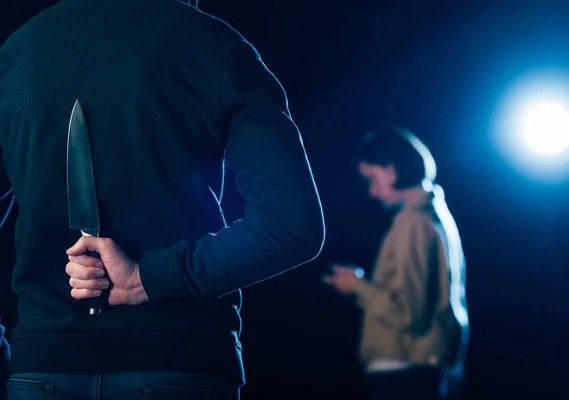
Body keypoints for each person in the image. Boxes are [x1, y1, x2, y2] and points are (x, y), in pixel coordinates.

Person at [0, 0, 325, 398]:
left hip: (40, 371)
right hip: (178, 363)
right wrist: (144, 281)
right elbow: (291, 228)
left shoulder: (16, 54)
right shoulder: (213, 45)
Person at [323, 124, 469, 400]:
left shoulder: (413, 222)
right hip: (420, 367)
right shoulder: (432, 216)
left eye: (372, 178)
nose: (372, 191)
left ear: (391, 169)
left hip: (404, 370)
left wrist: (358, 287)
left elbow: (406, 313)